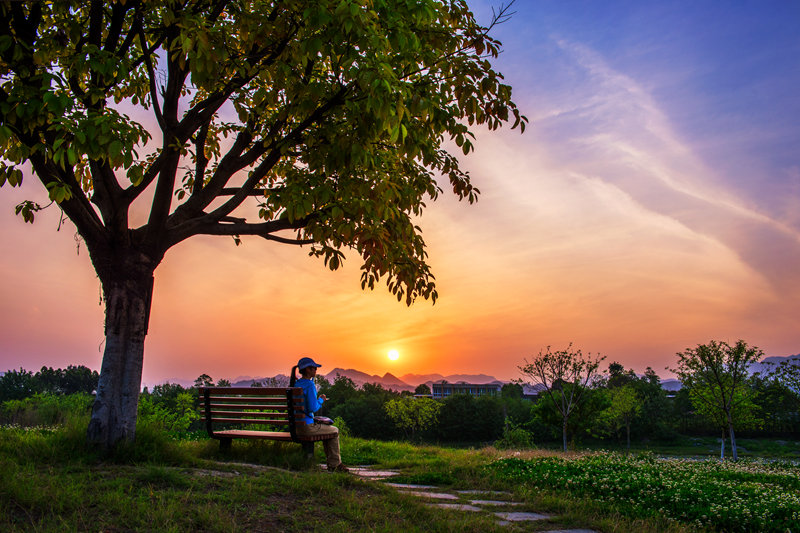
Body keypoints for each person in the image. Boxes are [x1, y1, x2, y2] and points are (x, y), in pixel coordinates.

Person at [290, 356, 349, 473]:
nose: (316, 370)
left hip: (296, 427)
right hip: (307, 428)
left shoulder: (296, 384)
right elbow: (313, 407)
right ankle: (335, 465)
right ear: (308, 370)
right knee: (334, 430)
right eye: (314, 368)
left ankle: (333, 464)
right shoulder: (309, 385)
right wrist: (321, 400)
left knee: (328, 430)